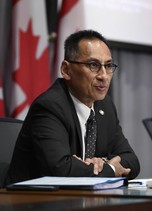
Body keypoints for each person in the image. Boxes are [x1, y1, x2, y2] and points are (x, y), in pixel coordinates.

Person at [5, 29, 140, 185]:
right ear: (66, 70)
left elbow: (132, 160)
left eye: (108, 66)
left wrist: (100, 162)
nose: (104, 75)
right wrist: (110, 168)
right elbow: (60, 170)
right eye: (93, 65)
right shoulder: (50, 107)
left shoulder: (105, 106)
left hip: (79, 202)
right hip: (30, 204)